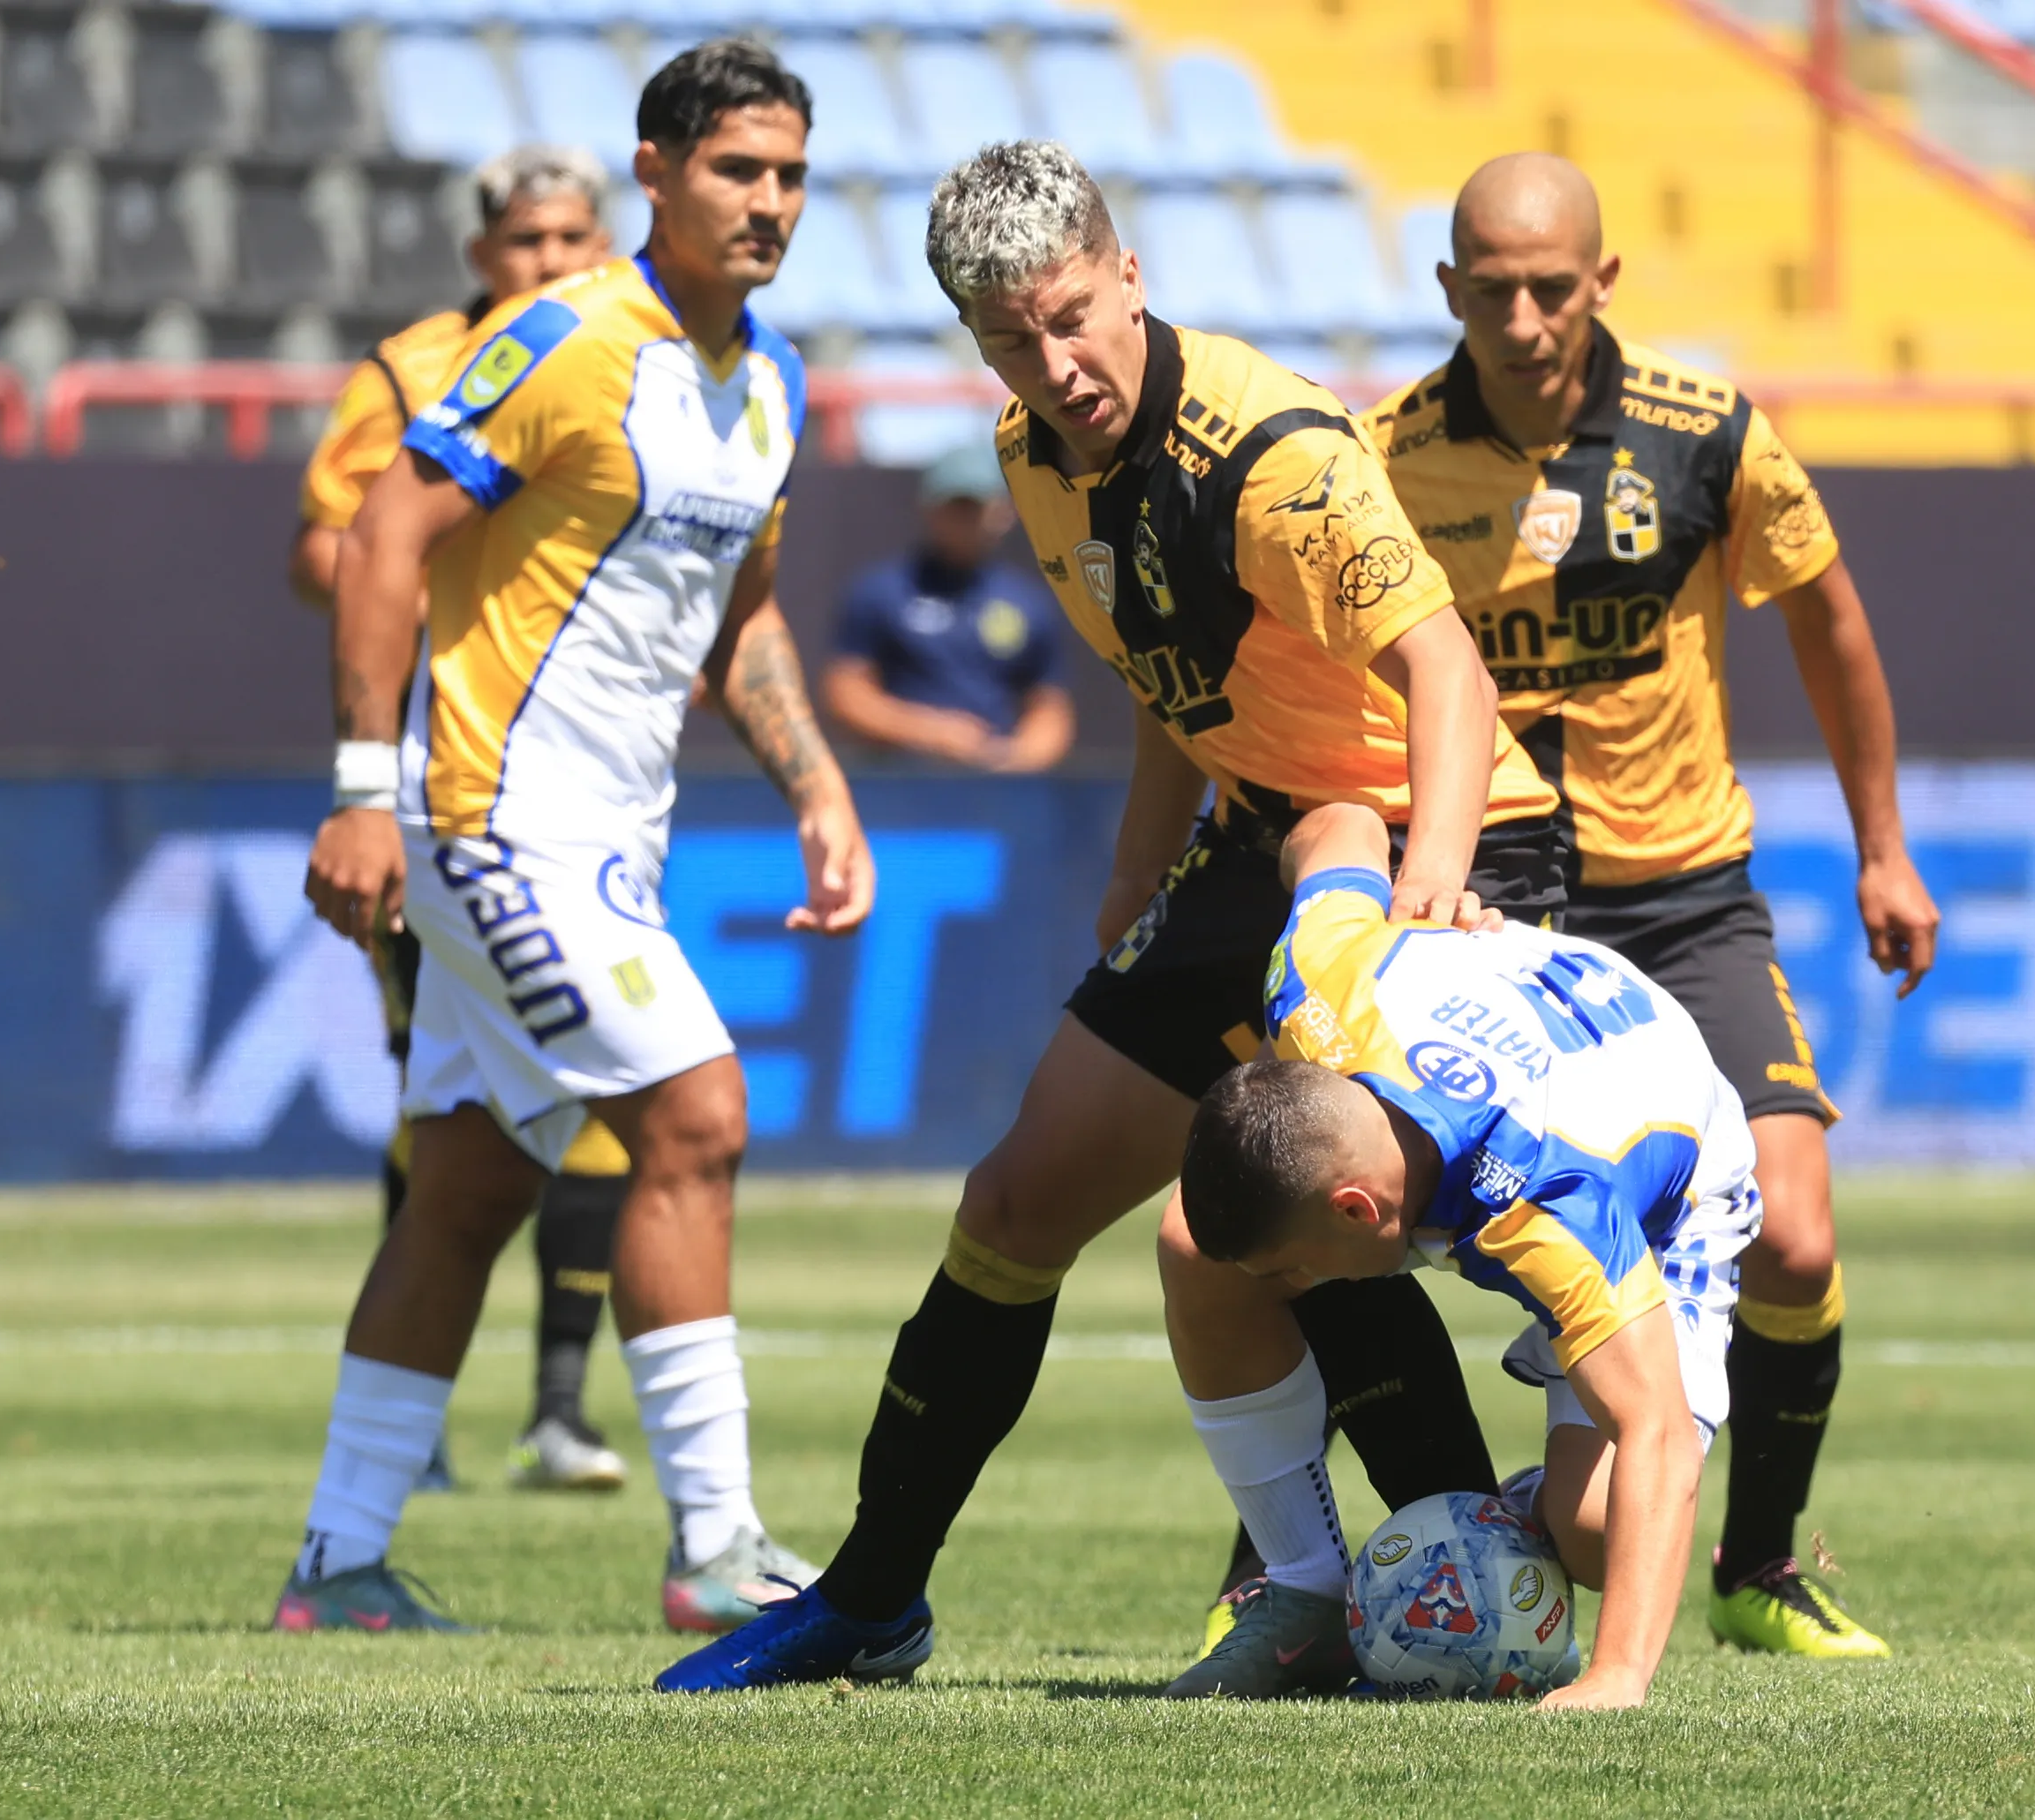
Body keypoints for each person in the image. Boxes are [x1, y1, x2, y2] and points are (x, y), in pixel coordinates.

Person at [656, 139, 1569, 1696]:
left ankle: (1464, 1602)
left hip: (1428, 841)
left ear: (1128, 275)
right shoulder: (1029, 455)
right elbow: (1172, 676)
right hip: (1254, 841)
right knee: (1013, 1204)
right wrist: (1142, 866)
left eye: (1072, 316)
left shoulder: (1275, 455)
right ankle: (870, 1598)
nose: (1056, 364)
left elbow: (1448, 676)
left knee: (1261, 1218)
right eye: (1012, 338)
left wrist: (1423, 897)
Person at [275, 38, 875, 1638]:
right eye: (737, 169)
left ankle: (336, 1564)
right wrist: (360, 786)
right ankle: (719, 1545)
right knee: (697, 1113)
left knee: (467, 1186)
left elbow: (741, 620)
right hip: (490, 815)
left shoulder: (772, 380)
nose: (768, 201)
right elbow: (382, 534)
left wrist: (816, 787)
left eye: (789, 174)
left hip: (612, 833)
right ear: (655, 174)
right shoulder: (564, 338)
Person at [1365, 151, 1940, 1658]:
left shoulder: (1705, 434)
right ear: (1448, 288)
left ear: (1603, 280)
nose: (1523, 320)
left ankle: (1760, 1566)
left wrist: (1881, 847)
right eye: (1491, 291)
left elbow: (1829, 623)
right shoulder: (1382, 458)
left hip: (1680, 893)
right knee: (1342, 1207)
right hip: (1484, 902)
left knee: (1793, 1240)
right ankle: (1281, 1569)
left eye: (1551, 288)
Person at [1167, 802, 1760, 1709]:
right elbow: (1339, 824)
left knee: (1598, 1533)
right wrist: (1425, 882)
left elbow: (1660, 1432)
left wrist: (1615, 1676)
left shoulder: (1555, 1205)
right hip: (1490, 1048)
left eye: (1294, 1267)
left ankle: (1523, 1512)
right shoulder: (1316, 981)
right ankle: (1302, 1589)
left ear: (1357, 1207)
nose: (1292, 1291)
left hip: (1664, 1178)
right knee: (1194, 1247)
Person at [290, 144, 630, 1497]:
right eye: (526, 240)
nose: (550, 260)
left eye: (571, 237)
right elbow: (325, 545)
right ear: (483, 253)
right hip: (444, 774)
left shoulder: (637, 356)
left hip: (588, 778)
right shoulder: (412, 370)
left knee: (600, 1089)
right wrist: (453, 557)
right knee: (444, 1097)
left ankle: (557, 1411)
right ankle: (413, 1419)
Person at [821, 442, 1074, 771]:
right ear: (928, 509)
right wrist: (932, 733)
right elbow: (846, 692)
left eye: (975, 507)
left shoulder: (1029, 603)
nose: (964, 520)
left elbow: (1050, 708)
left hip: (995, 785)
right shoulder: (881, 592)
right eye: (955, 506)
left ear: (1005, 511)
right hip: (901, 781)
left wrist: (1014, 759)